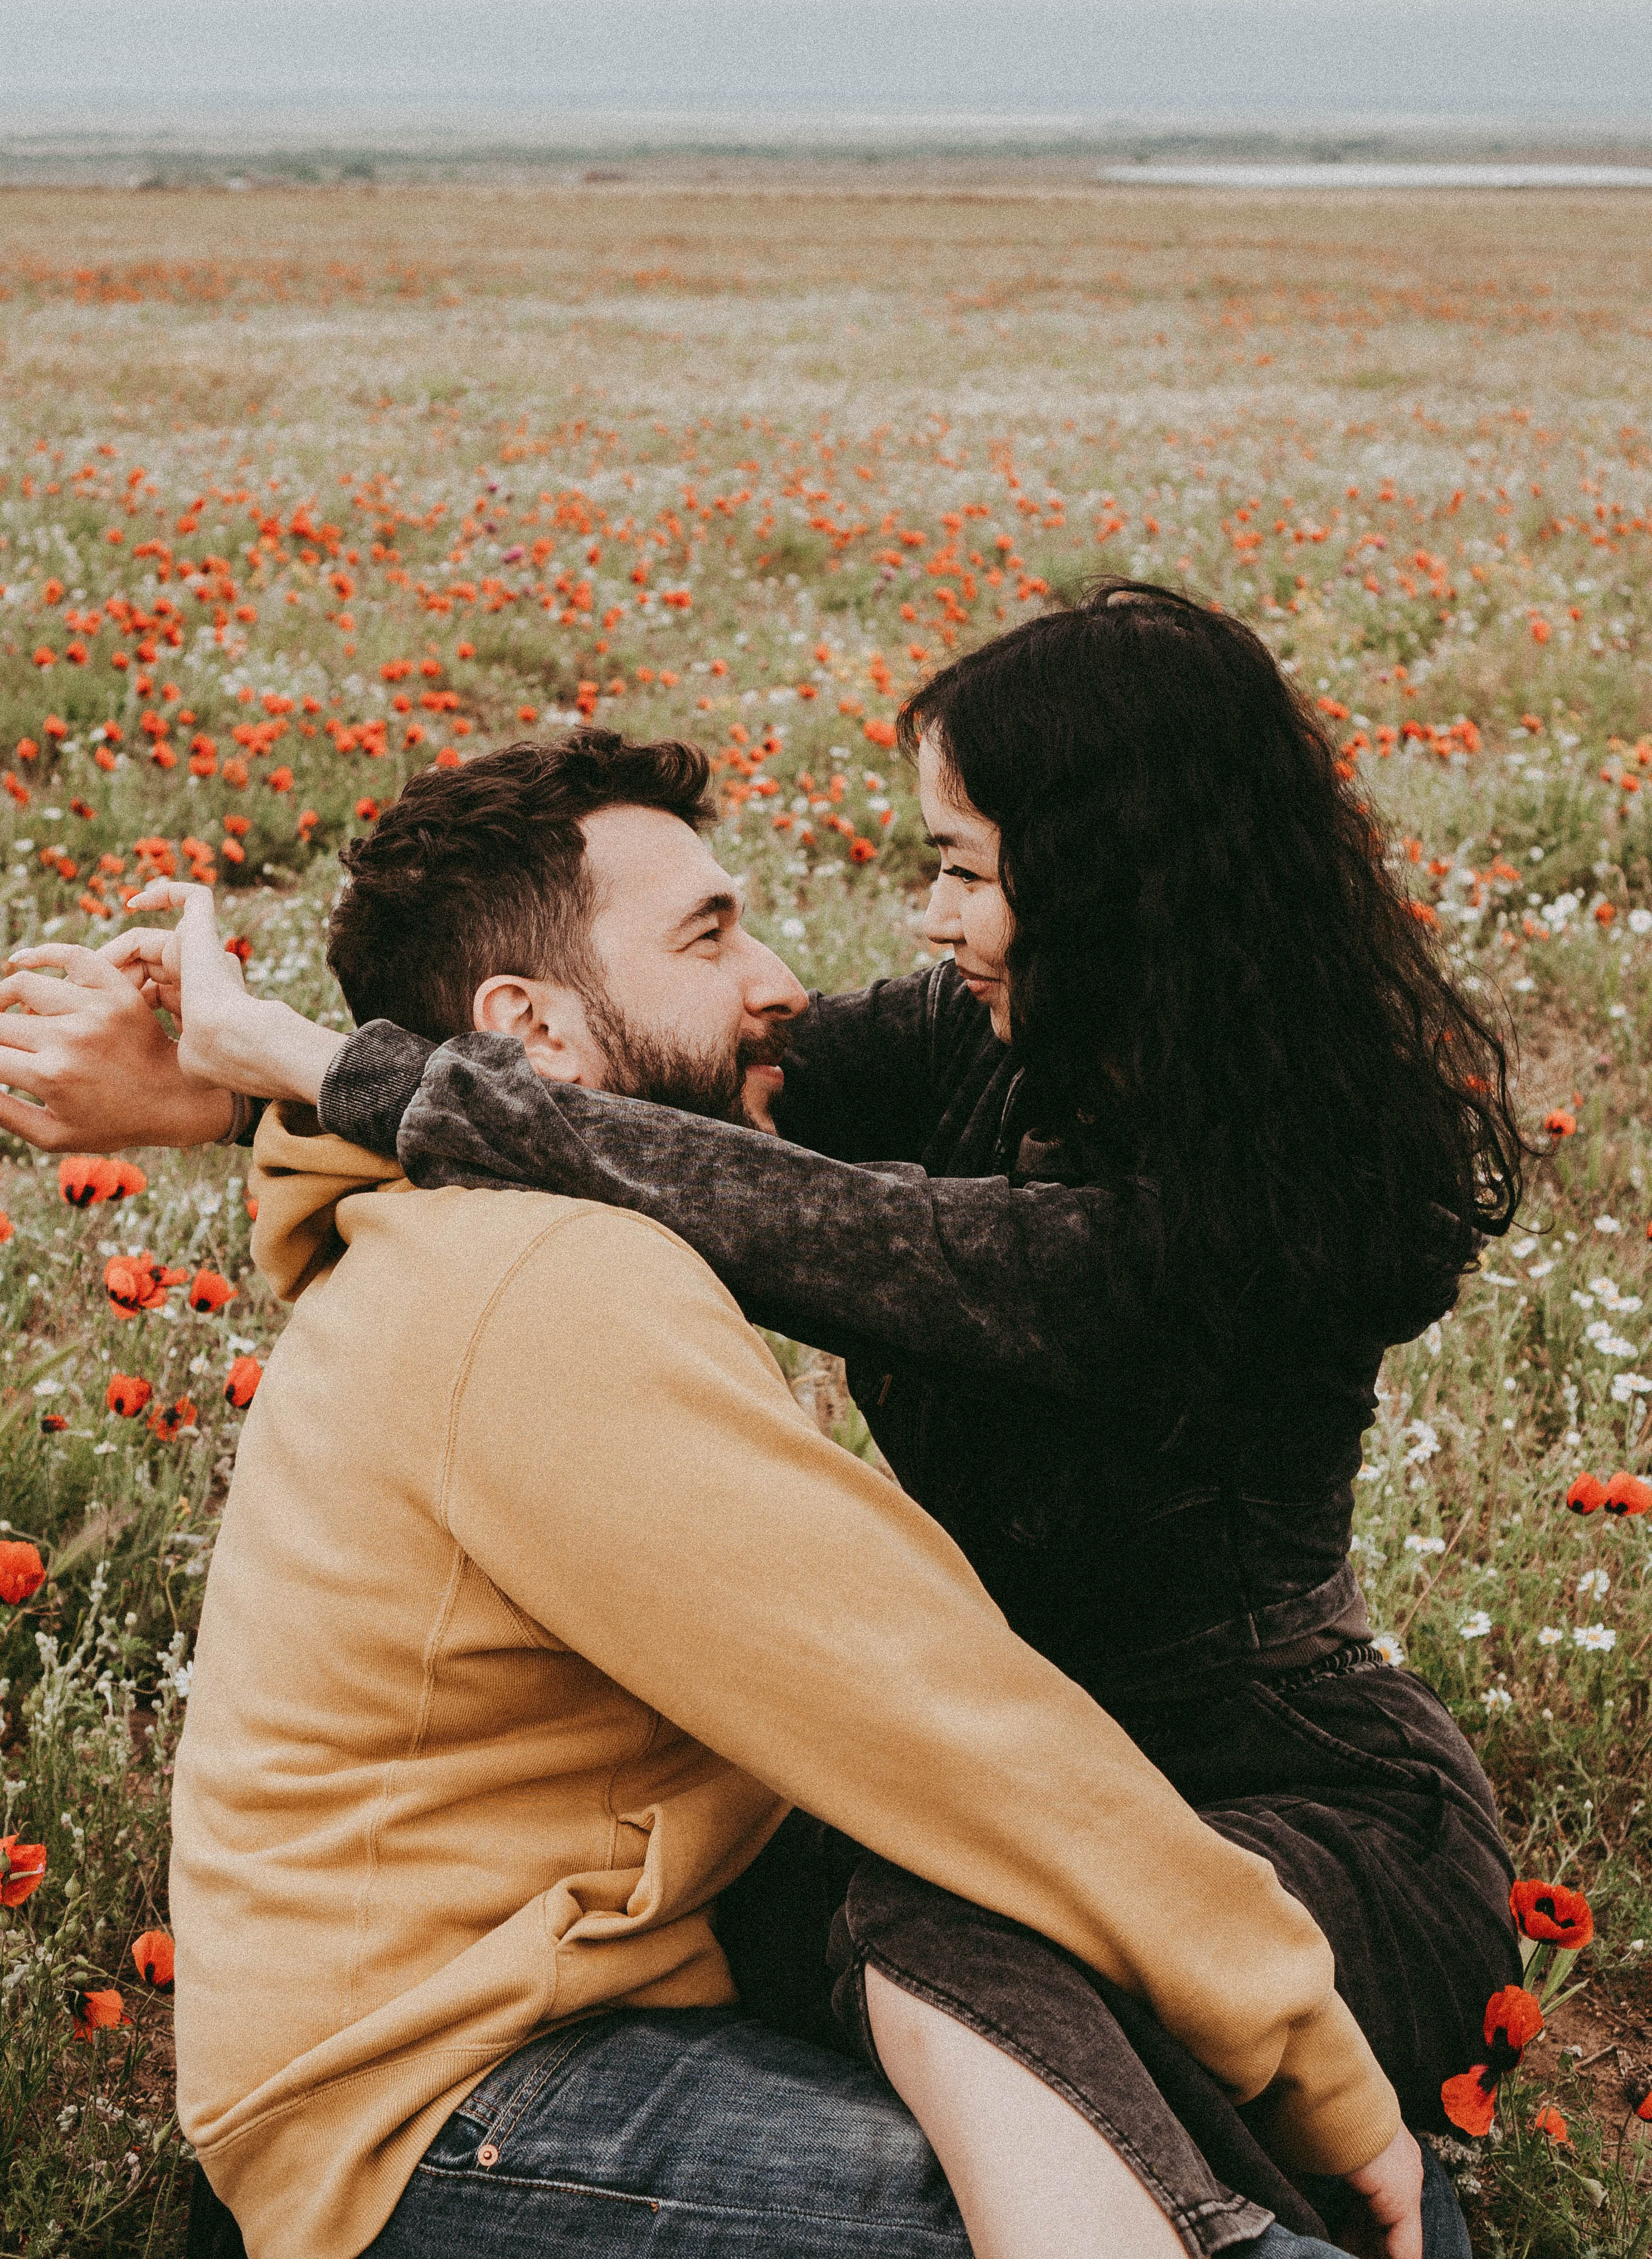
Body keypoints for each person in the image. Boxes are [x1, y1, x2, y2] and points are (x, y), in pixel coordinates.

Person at [1, 587, 1515, 2247]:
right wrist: (245, 1092)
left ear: (1101, 892)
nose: (844, 958)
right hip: (995, 1815)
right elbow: (640, 1113)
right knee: (957, 1949)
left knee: (980, 1958)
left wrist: (298, 1060)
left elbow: (757, 1196)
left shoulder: (1217, 1228)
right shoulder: (946, 1063)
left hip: (1270, 1800)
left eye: (961, 867)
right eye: (721, 932)